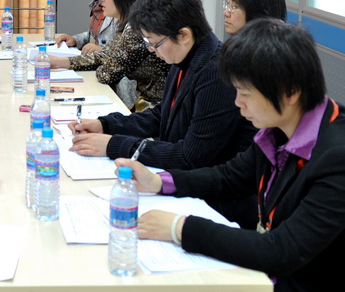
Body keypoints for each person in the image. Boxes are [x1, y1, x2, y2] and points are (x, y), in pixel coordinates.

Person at [119, 19, 344, 291]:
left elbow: (281, 250)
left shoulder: (336, 157)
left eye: (245, 93)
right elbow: (230, 177)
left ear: (291, 93)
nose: (238, 103)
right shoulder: (279, 127)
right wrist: (158, 182)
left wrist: (180, 228)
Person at [70, 0, 257, 226]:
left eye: (154, 42)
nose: (152, 50)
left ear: (184, 35)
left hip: (216, 206)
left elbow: (190, 157)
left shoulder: (216, 72)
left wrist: (114, 145)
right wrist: (105, 125)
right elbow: (162, 116)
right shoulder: (186, 58)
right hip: (184, 188)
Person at [49, 0, 170, 111]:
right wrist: (62, 62)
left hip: (154, 110)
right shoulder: (128, 24)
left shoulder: (136, 30)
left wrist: (106, 60)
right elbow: (108, 55)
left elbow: (106, 73)